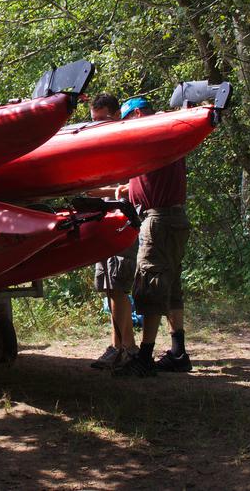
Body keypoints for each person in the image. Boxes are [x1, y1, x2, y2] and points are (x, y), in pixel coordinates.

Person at [112, 97, 192, 377]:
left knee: (150, 284)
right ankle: (178, 352)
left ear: (136, 114)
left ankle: (144, 357)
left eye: (125, 121)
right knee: (171, 287)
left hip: (159, 221)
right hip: (172, 219)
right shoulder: (166, 134)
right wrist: (129, 188)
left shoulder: (154, 131)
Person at [86, 94, 139, 370]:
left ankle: (128, 349)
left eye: (103, 119)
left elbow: (136, 187)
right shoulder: (99, 145)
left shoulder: (128, 143)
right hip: (102, 223)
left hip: (122, 223)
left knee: (118, 287)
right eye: (93, 120)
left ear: (117, 115)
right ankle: (116, 346)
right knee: (107, 288)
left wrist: (104, 191)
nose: (98, 125)